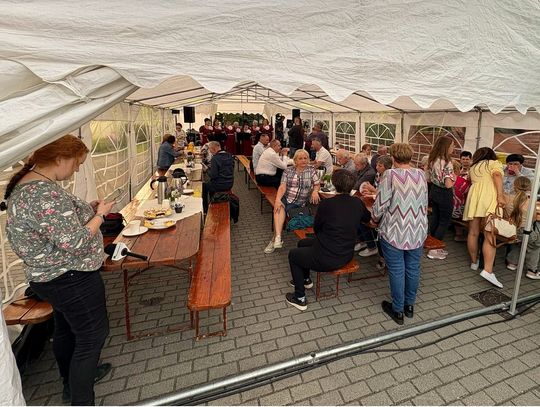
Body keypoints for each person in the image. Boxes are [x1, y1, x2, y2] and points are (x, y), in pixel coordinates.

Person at [1, 135, 114, 405]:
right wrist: (100, 215)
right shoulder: (43, 193)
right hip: (69, 277)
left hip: (50, 277)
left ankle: (69, 383)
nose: (76, 170)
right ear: (61, 158)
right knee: (92, 336)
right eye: (76, 163)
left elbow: (55, 225)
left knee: (66, 329)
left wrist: (86, 209)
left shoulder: (29, 186)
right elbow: (74, 242)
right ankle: (81, 398)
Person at [285, 169, 371, 310]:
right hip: (346, 253)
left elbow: (317, 227)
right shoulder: (357, 203)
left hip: (327, 257)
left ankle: (299, 298)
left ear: (335, 184)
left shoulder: (327, 204)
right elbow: (367, 218)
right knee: (302, 243)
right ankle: (305, 279)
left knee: (293, 255)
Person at [372, 143, 428, 325]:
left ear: (393, 157)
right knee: (413, 268)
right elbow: (424, 201)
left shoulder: (390, 175)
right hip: (417, 229)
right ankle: (409, 306)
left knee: (397, 269)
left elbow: (381, 204)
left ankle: (397, 310)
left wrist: (374, 218)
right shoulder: (421, 174)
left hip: (395, 229)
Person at [462, 147, 505, 288]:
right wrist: (500, 195)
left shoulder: (473, 166)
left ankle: (474, 262)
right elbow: (497, 176)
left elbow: (469, 180)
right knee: (490, 235)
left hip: (474, 198)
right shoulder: (494, 163)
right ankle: (488, 270)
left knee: (473, 232)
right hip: (489, 197)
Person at [264, 149, 320, 254]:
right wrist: (277, 199)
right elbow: (282, 186)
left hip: (300, 202)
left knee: (280, 213)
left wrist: (315, 191)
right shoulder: (288, 171)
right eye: (300, 158)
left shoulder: (311, 170)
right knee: (278, 207)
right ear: (295, 160)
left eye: (305, 158)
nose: (303, 160)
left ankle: (275, 239)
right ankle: (277, 237)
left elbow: (317, 184)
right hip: (287, 198)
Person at [426, 136, 456, 260]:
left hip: (434, 191)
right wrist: (455, 178)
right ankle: (435, 249)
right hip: (444, 193)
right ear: (446, 147)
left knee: (435, 218)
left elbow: (428, 178)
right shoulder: (447, 162)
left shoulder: (432, 159)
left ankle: (433, 245)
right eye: (452, 145)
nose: (453, 148)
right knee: (444, 221)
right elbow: (448, 184)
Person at [504, 177, 540, 279]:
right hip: (524, 231)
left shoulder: (507, 198)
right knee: (535, 245)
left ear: (514, 186)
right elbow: (533, 219)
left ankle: (512, 263)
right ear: (529, 188)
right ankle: (532, 271)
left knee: (519, 242)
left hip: (510, 230)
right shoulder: (530, 202)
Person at [202, 141, 234, 213]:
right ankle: (213, 199)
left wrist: (206, 169)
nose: (210, 152)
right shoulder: (229, 155)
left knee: (204, 186)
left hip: (220, 185)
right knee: (210, 184)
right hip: (230, 183)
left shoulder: (215, 158)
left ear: (214, 149)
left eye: (210, 150)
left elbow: (213, 176)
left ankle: (205, 209)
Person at [452, 151, 473, 241]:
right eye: (463, 159)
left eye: (467, 159)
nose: (465, 161)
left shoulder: (472, 170)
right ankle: (459, 233)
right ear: (460, 160)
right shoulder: (458, 169)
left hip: (468, 195)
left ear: (471, 160)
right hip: (457, 196)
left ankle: (465, 233)